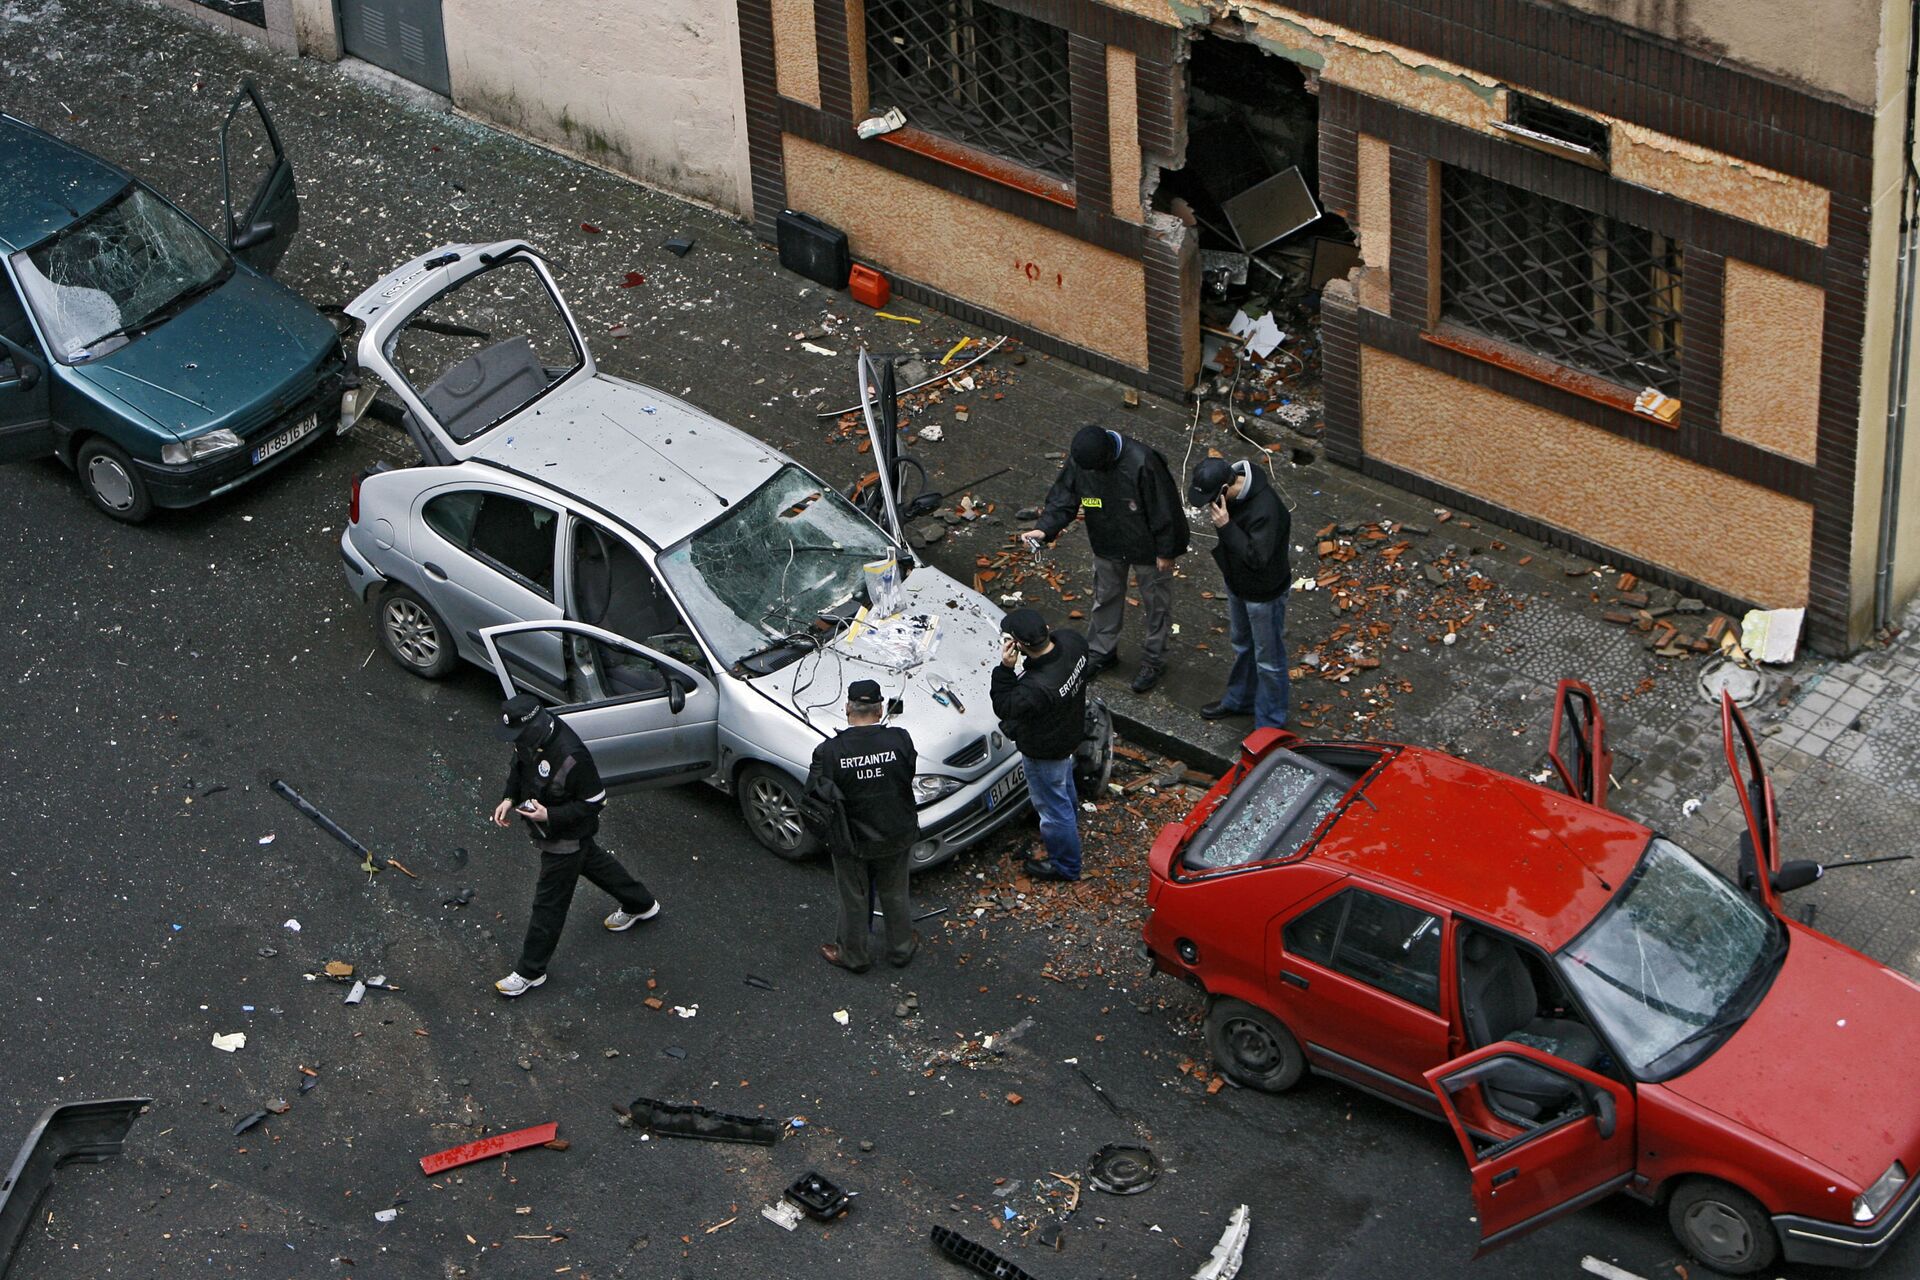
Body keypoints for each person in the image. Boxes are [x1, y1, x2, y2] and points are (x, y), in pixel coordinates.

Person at [489, 693, 659, 997]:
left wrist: (549, 815)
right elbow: (518, 767)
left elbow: (595, 802)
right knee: (592, 861)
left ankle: (530, 971)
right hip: (562, 837)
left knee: (548, 905)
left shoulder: (572, 755)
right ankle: (641, 904)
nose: (515, 742)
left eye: (517, 736)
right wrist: (508, 798)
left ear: (535, 728)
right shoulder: (528, 740)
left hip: (565, 839)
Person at [1020, 424, 1188, 693]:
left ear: (1108, 457)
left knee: (1157, 605)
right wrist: (1045, 528)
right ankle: (1101, 652)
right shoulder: (1083, 461)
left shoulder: (1143, 462)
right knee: (1105, 598)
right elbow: (1064, 498)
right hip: (1108, 542)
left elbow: (1165, 508)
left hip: (1148, 548)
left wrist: (1167, 550)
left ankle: (1154, 660)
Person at [803, 679, 921, 972]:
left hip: (851, 840)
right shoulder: (901, 739)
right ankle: (901, 948)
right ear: (880, 709)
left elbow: (815, 797)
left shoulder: (828, 752)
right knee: (895, 892)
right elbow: (907, 773)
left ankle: (853, 955)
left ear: (847, 709)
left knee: (855, 898)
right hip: (896, 833)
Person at [1189, 456, 1293, 730]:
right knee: (1242, 645)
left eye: (1212, 498)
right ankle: (1241, 699)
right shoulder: (1230, 498)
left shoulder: (1266, 508)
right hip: (1237, 583)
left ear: (1225, 488)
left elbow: (1257, 558)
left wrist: (1226, 526)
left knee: (1269, 661)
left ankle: (1270, 724)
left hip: (1263, 593)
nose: (1210, 506)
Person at [990, 608, 1089, 882]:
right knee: (1062, 785)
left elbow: (1004, 706)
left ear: (1019, 645)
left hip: (1044, 749)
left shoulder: (1035, 688)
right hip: (1069, 733)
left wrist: (1006, 668)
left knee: (1053, 808)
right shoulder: (1073, 643)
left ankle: (1066, 865)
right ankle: (1069, 817)